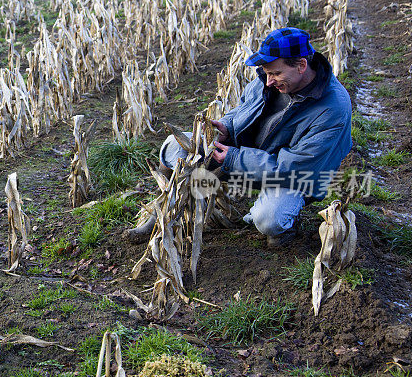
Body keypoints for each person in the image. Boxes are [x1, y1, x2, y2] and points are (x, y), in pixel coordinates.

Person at [126, 27, 352, 247]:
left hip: (294, 176)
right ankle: (160, 214)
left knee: (270, 219)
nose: (269, 80)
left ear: (302, 65)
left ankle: (286, 223)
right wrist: (227, 127)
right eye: (266, 72)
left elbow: (296, 169)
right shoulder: (268, 80)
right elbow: (243, 108)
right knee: (173, 147)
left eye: (275, 73)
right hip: (244, 156)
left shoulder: (332, 109)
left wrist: (235, 158)